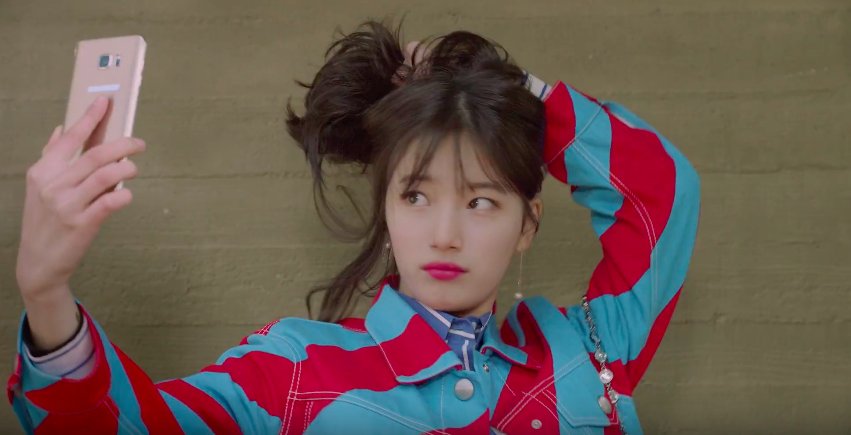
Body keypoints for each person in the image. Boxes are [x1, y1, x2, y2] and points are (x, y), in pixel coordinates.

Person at [7, 19, 700, 435]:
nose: (445, 233)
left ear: (528, 223)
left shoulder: (592, 350)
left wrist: (519, 96)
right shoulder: (292, 370)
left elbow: (663, 190)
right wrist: (46, 293)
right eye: (416, 195)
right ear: (386, 210)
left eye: (482, 201)